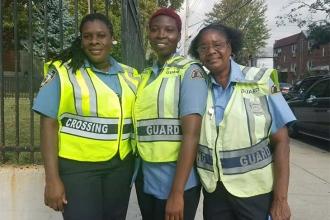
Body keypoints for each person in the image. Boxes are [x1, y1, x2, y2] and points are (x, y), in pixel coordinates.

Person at [33, 13, 140, 220]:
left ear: (111, 38)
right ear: (81, 40)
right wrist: (52, 179)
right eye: (87, 36)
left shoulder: (130, 75)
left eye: (101, 35)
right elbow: (48, 125)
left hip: (120, 167)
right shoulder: (64, 73)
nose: (94, 41)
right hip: (78, 170)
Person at [189, 23, 295, 220]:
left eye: (217, 45)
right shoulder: (196, 87)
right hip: (214, 193)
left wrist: (281, 200)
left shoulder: (261, 81)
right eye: (203, 48)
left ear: (230, 47)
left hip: (256, 192)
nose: (211, 51)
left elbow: (282, 141)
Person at [133, 8, 208, 220]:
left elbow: (191, 134)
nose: (161, 35)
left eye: (169, 30)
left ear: (178, 35)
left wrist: (176, 193)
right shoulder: (147, 75)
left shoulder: (190, 71)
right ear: (149, 34)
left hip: (178, 179)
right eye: (155, 30)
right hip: (147, 175)